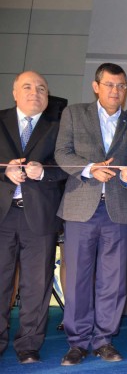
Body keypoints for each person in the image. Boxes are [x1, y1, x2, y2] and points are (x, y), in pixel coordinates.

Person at [55, 63, 127, 365]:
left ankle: (104, 340)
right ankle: (77, 342)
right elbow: (62, 153)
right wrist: (90, 169)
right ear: (96, 86)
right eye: (110, 85)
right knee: (78, 277)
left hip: (118, 209)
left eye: (121, 86)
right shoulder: (75, 114)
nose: (116, 91)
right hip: (80, 208)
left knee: (113, 281)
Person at [0, 71, 66, 364]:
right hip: (3, 215)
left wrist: (44, 172)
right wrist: (4, 171)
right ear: (14, 92)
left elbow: (68, 166)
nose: (34, 92)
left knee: (37, 285)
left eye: (41, 88)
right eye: (27, 86)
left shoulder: (59, 127)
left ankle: (28, 345)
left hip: (40, 216)